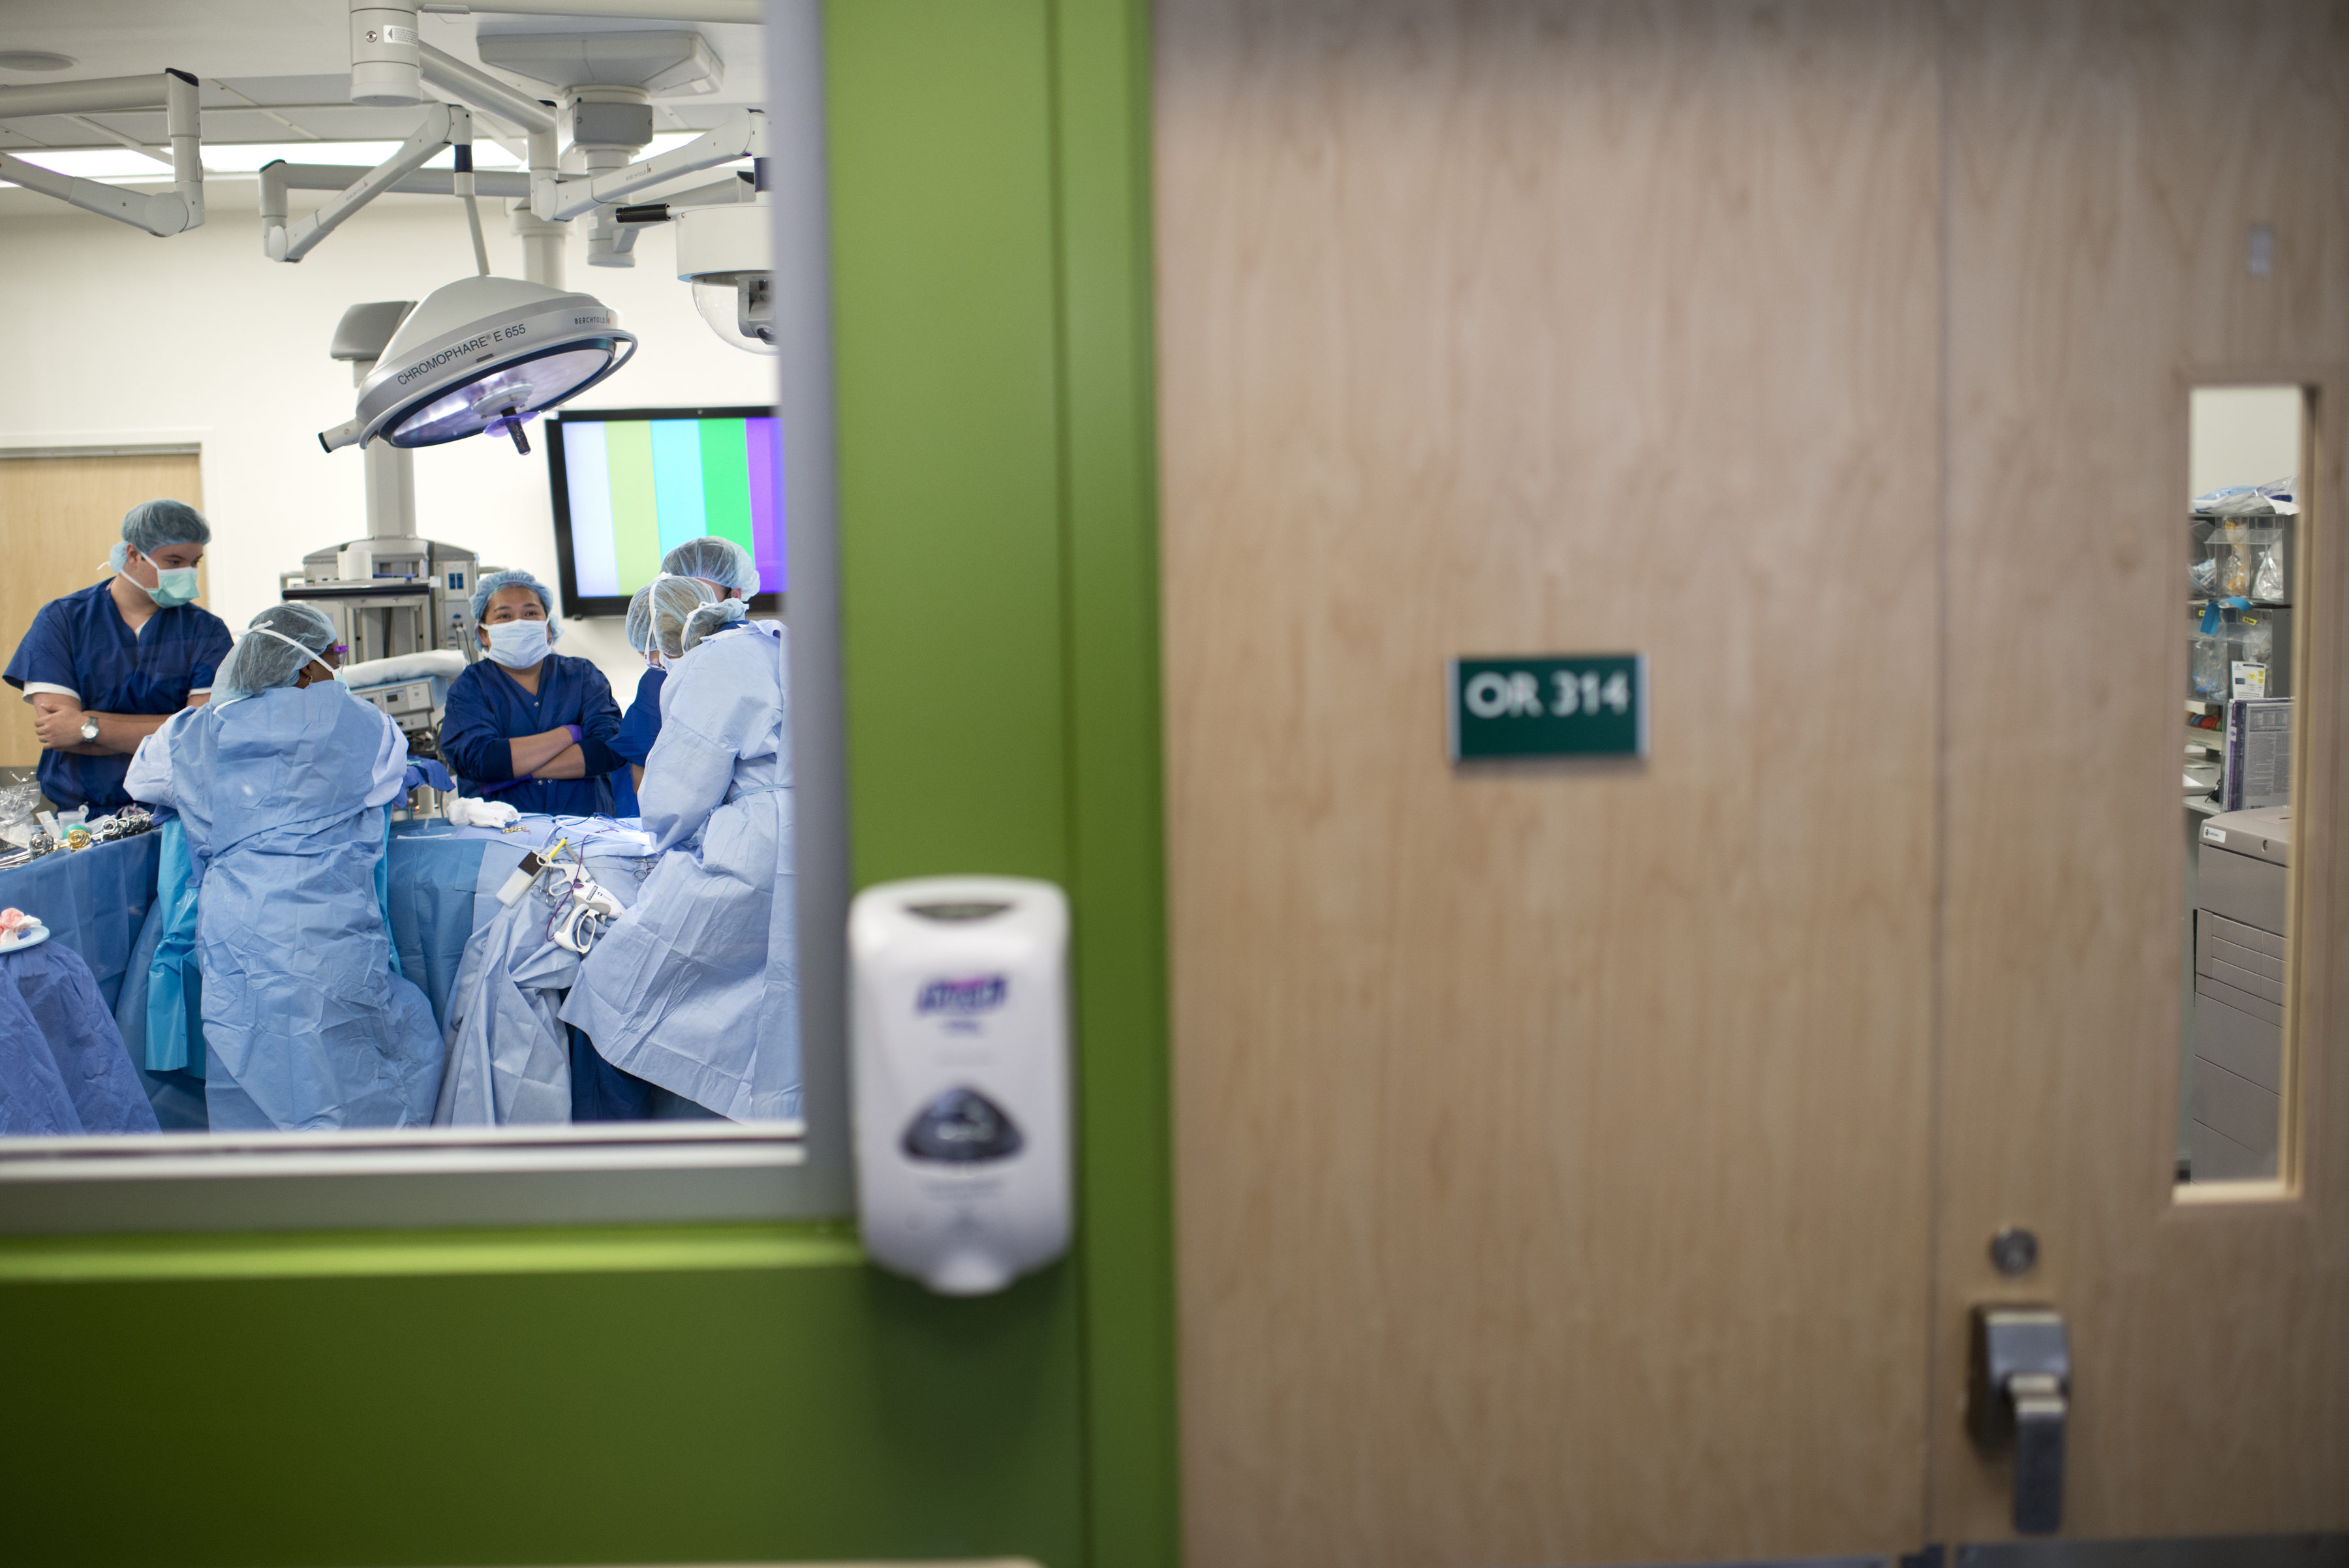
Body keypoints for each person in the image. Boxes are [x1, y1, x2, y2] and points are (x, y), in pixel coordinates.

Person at [124, 604, 444, 1131]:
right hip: (329, 928)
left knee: (250, 1061)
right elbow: (386, 776)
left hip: (238, 933)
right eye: (331, 656)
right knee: (356, 1064)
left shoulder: (190, 733)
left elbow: (143, 779)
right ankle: (370, 1191)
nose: (335, 668)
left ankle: (266, 1197)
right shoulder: (361, 723)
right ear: (302, 666)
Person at [560, 596, 797, 1121]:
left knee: (612, 993)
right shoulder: (776, 644)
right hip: (806, 845)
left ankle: (617, 1154)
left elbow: (675, 800)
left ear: (663, 644)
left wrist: (666, 837)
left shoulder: (711, 662)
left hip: (750, 854)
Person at [5, 499, 233, 812]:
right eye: (174, 561)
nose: (188, 573)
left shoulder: (206, 631)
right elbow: (59, 732)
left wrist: (88, 727)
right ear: (133, 554)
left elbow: (199, 734)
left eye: (195, 562)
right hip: (83, 813)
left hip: (174, 811)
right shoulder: (63, 620)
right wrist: (168, 728)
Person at [438, 569, 625, 816]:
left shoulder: (581, 675)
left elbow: (608, 750)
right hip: (501, 837)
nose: (520, 622)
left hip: (584, 832)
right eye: (504, 616)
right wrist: (571, 733)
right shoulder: (471, 687)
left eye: (531, 613)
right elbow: (482, 761)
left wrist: (517, 771)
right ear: (484, 634)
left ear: (547, 628)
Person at [609, 576, 718, 816]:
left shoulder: (729, 668)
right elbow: (643, 758)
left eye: (654, 654)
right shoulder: (658, 680)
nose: (657, 664)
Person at [662, 534, 760, 605]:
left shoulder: (746, 634)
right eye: (679, 596)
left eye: (702, 594)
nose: (690, 605)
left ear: (734, 596)